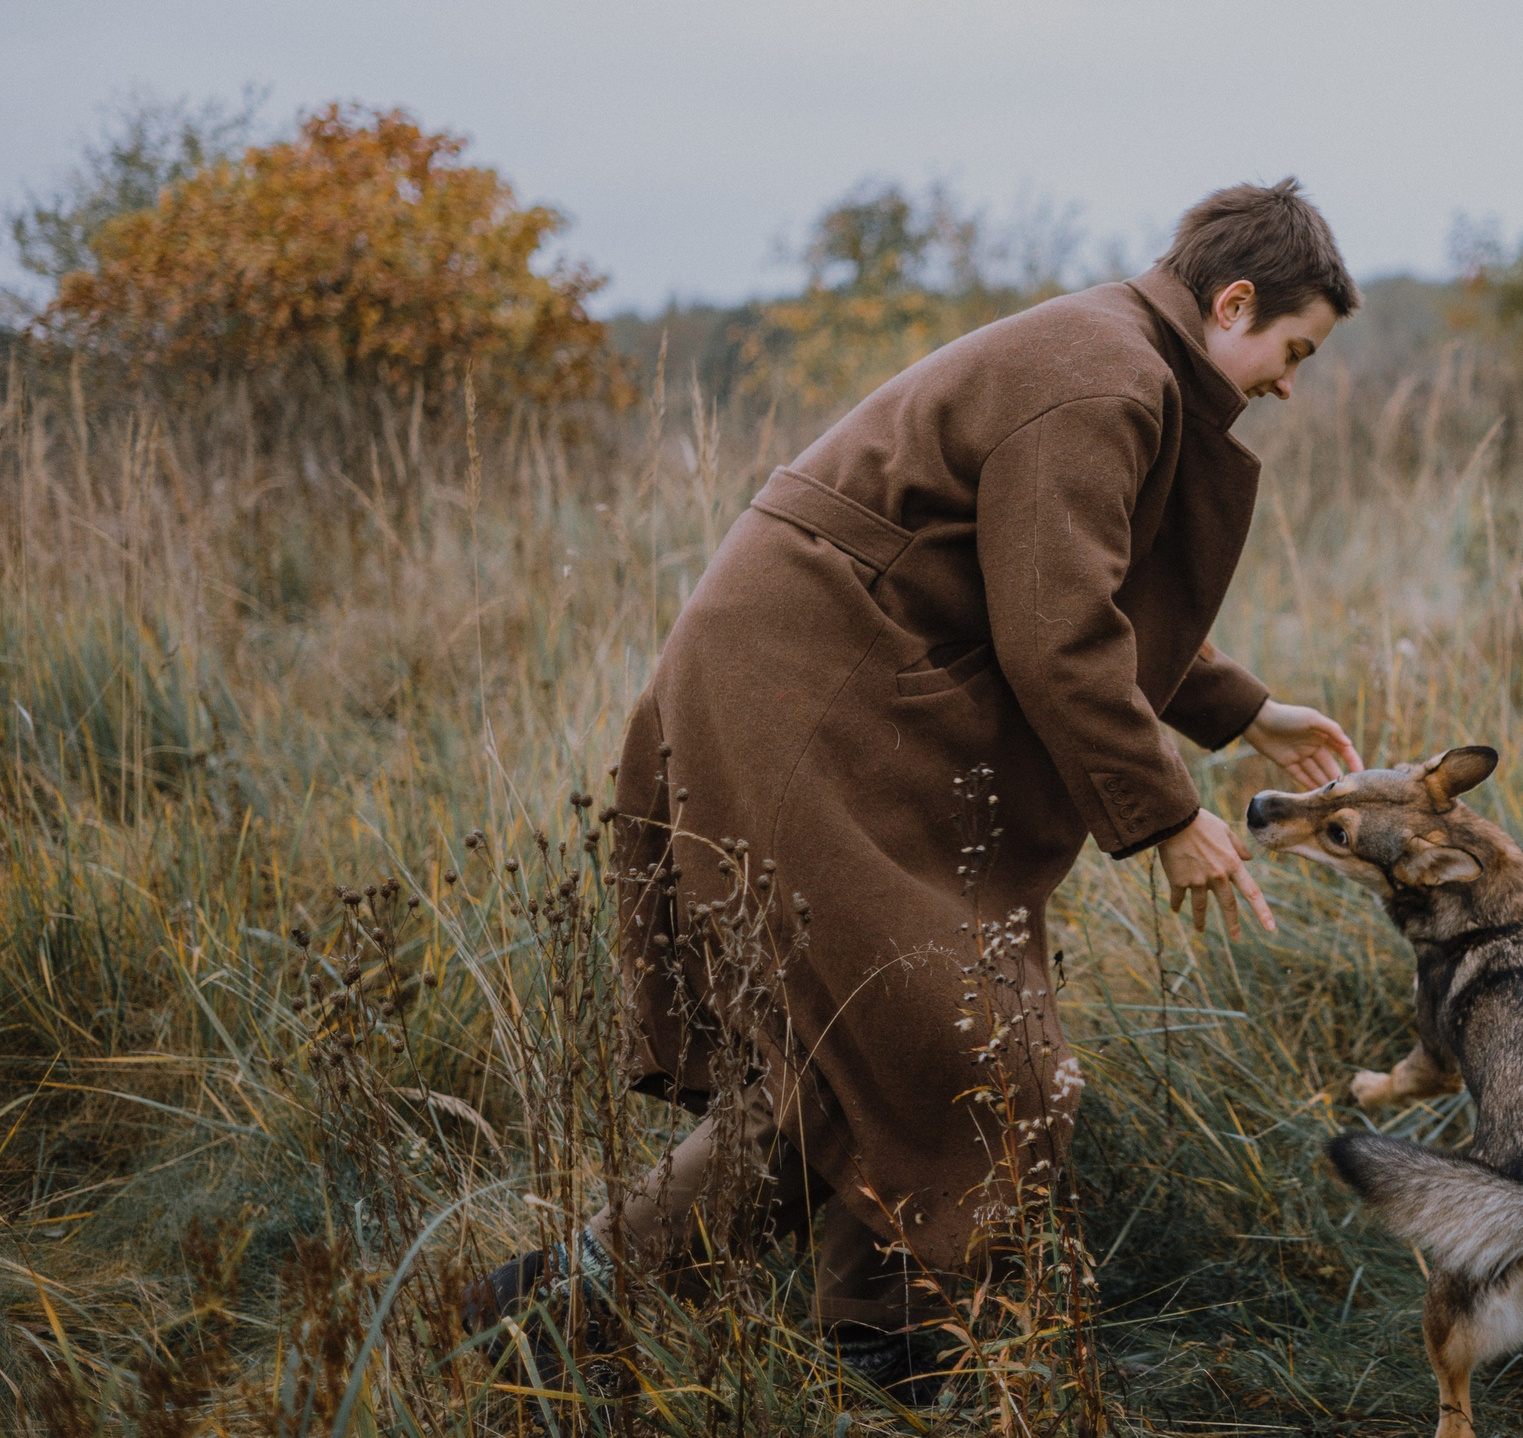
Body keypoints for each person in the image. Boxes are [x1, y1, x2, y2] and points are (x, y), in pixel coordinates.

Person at [464, 180, 1363, 1391]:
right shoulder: (1108, 380)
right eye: (1292, 350)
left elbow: (1059, 590)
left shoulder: (1114, 354)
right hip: (810, 699)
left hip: (837, 693)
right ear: (1234, 300)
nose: (1289, 383)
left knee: (849, 1066)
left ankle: (582, 1319)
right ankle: (878, 1349)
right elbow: (1057, 634)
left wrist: (1244, 713)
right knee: (970, 1049)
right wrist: (1170, 821)